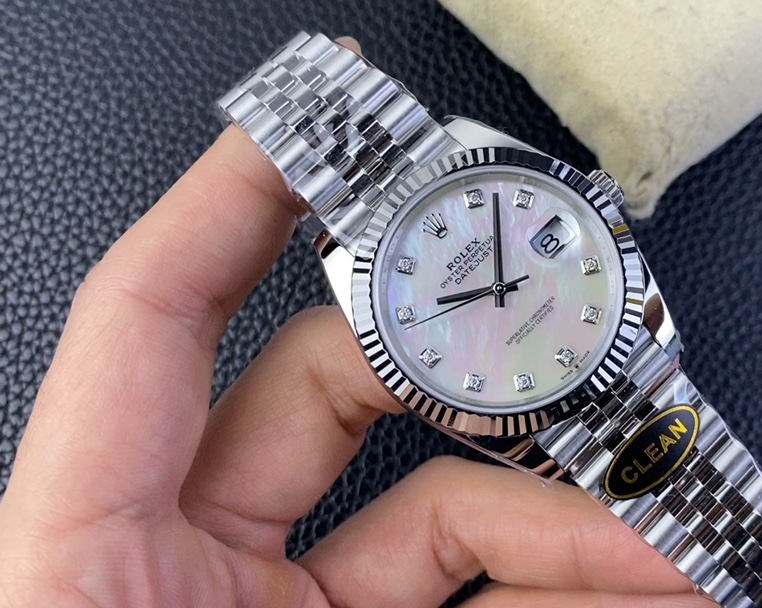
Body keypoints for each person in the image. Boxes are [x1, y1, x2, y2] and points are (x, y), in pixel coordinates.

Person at [0, 41, 714, 607]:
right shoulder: (356, 265)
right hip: (560, 387)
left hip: (618, 347)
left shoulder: (463, 148)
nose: (496, 294)